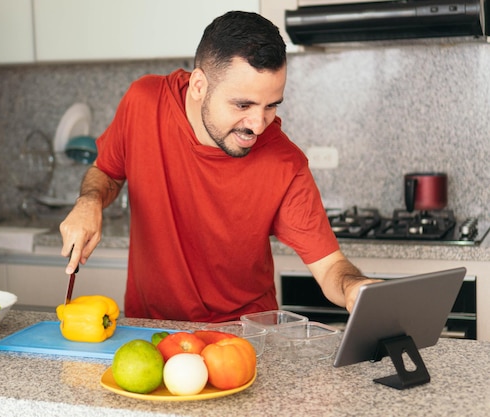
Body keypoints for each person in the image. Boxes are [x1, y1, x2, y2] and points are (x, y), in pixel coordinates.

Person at [59, 11, 378, 322]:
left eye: (271, 106)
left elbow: (329, 266)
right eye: (243, 105)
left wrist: (354, 287)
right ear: (199, 85)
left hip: (244, 339)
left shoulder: (285, 162)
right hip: (152, 332)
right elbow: (108, 173)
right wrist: (89, 201)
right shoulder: (144, 101)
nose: (257, 125)